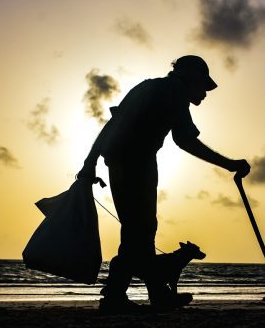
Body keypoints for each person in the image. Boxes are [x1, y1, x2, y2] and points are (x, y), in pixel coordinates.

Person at [77, 55, 250, 313]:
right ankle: (129, 296)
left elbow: (112, 125)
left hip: (118, 161)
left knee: (138, 231)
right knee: (141, 229)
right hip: (137, 163)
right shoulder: (175, 92)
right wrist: (229, 164)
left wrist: (89, 163)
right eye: (203, 85)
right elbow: (184, 140)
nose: (205, 93)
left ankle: (141, 295)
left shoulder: (147, 86)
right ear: (189, 77)